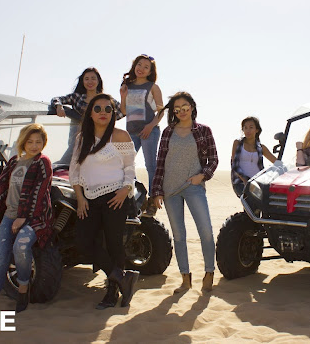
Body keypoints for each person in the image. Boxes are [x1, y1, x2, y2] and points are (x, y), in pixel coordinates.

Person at [0, 124, 54, 317]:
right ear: (23, 142)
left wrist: (22, 216)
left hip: (35, 217)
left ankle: (23, 288)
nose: (34, 146)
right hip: (9, 216)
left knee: (20, 247)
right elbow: (2, 187)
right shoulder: (14, 162)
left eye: (38, 142)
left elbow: (39, 192)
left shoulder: (42, 162)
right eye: (30, 141)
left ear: (43, 143)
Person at [70, 93, 139, 309]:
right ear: (90, 113)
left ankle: (112, 292)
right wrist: (80, 197)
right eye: (98, 109)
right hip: (88, 198)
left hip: (115, 197)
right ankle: (121, 277)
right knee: (83, 242)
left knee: (113, 244)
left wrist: (125, 190)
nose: (103, 113)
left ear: (113, 113)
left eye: (108, 109)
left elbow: (130, 168)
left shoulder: (121, 136)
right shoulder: (82, 138)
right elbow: (75, 170)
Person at [151, 92, 218, 293]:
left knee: (206, 231)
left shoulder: (203, 130)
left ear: (192, 107)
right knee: (179, 236)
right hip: (170, 190)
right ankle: (185, 279)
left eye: (185, 107)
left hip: (193, 187)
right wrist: (157, 191)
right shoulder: (168, 132)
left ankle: (209, 272)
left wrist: (202, 176)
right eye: (177, 109)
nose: (182, 111)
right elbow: (160, 163)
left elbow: (213, 159)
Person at [51, 67, 124, 165]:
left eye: (93, 78)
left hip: (98, 137)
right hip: (78, 137)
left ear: (98, 81)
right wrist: (59, 106)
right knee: (67, 162)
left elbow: (122, 112)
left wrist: (106, 120)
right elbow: (56, 99)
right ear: (82, 81)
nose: (90, 82)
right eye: (87, 79)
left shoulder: (104, 99)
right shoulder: (77, 97)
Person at [119, 54, 164, 196]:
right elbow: (124, 111)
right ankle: (136, 194)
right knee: (124, 164)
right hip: (131, 131)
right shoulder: (127, 86)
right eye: (139, 65)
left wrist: (150, 126)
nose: (141, 68)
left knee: (150, 165)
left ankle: (153, 197)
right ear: (134, 66)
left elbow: (161, 111)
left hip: (149, 131)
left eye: (146, 67)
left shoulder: (153, 87)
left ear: (150, 72)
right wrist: (123, 96)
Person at [231, 116, 276, 197]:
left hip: (258, 184)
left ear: (257, 130)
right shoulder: (238, 143)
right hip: (241, 183)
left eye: (251, 127)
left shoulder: (261, 147)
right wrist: (246, 180)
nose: (248, 130)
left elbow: (277, 163)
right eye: (245, 128)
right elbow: (235, 165)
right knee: (250, 199)